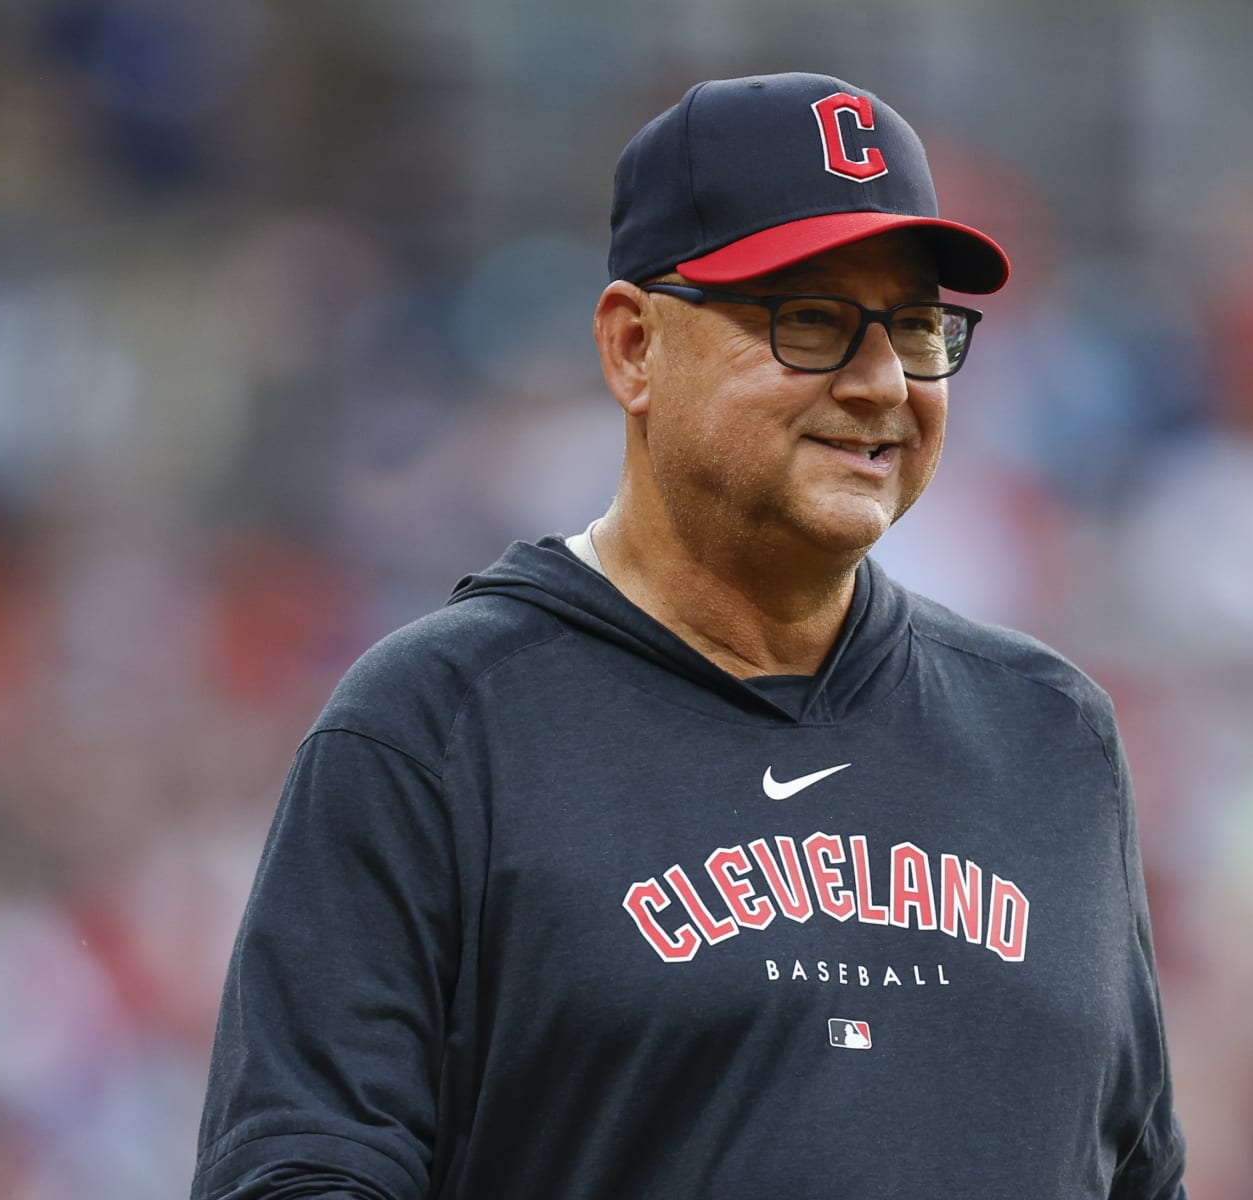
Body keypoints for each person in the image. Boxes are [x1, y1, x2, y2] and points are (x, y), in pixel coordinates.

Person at [191, 71, 1188, 1199]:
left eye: (915, 328)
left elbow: (1139, 1175)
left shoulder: (1051, 734)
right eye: (812, 320)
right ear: (633, 349)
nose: (881, 384)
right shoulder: (437, 728)